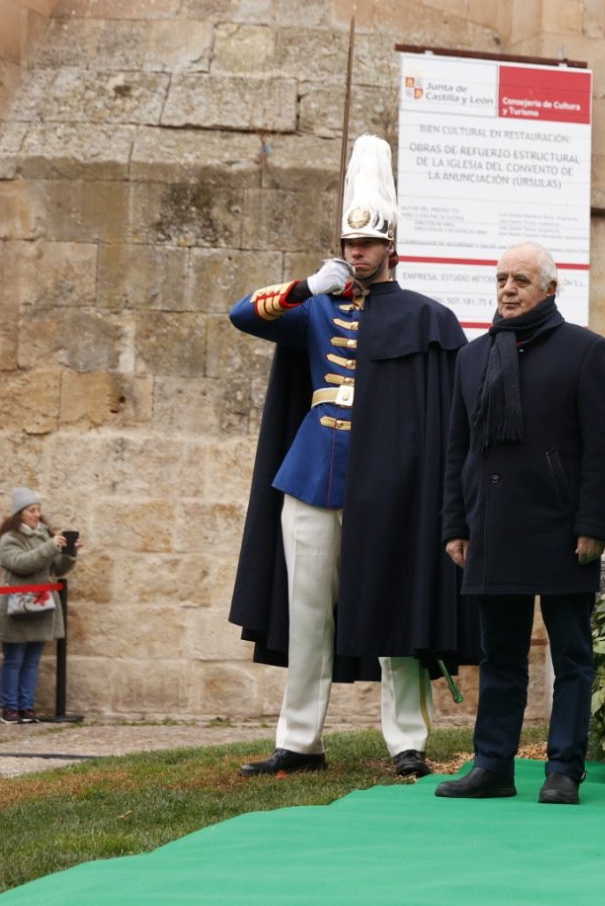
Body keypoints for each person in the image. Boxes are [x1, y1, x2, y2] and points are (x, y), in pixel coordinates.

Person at [228, 134, 475, 779]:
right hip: (315, 477)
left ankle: (407, 740)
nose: (356, 254)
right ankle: (300, 740)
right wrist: (308, 285)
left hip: (391, 486)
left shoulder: (428, 317)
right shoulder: (314, 309)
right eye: (348, 244)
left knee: (399, 605)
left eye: (367, 244)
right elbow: (242, 315)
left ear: (392, 247)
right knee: (309, 616)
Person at [434, 243, 605, 805]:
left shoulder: (586, 351)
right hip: (492, 526)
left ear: (550, 289)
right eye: (500, 280)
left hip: (564, 529)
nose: (508, 289)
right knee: (500, 655)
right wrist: (454, 524)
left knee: (571, 654)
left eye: (520, 279)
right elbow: (457, 450)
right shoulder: (472, 357)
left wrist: (594, 522)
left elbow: (603, 447)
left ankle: (564, 769)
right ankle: (493, 764)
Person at [0, 488, 78, 724]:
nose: (37, 514)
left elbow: (55, 569)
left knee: (32, 661)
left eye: (38, 510)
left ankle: (26, 707)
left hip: (40, 606)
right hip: (15, 609)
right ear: (20, 513)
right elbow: (21, 563)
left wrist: (68, 554)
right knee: (13, 659)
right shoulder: (10, 539)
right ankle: (10, 708)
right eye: (32, 510)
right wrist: (51, 546)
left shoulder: (43, 536)